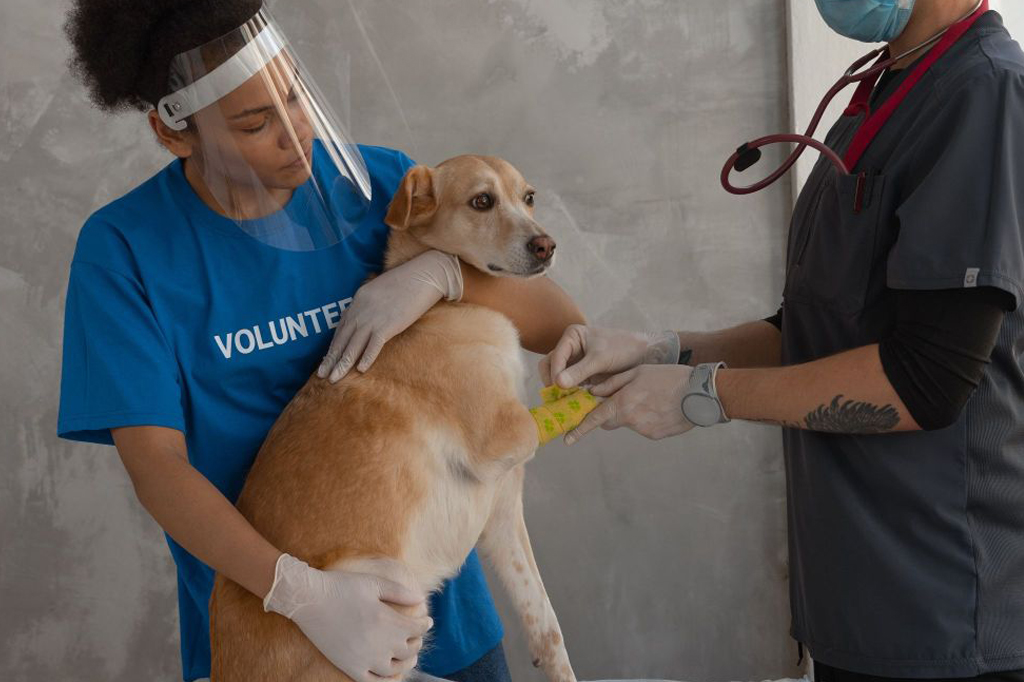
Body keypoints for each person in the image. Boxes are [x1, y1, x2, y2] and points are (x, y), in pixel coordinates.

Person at [57, 1, 584, 681]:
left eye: (297, 94)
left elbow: (557, 321)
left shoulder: (378, 186)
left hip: (442, 627)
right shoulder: (126, 251)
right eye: (255, 122)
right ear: (173, 134)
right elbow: (158, 469)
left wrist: (441, 272)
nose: (295, 133)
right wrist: (301, 594)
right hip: (276, 638)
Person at [542, 2, 1024, 682]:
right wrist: (668, 351)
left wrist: (703, 396)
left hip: (946, 610)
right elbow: (817, 326)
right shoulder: (886, 88)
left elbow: (928, 380)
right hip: (858, 603)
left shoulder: (987, 92)